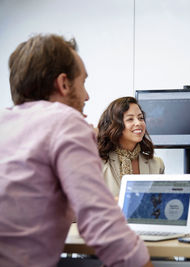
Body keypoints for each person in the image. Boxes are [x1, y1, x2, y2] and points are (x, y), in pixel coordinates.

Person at [0, 34, 152, 267]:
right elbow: (100, 224)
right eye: (83, 82)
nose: (87, 96)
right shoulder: (66, 122)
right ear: (63, 84)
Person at [97, 96, 165, 197]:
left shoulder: (157, 164)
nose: (138, 123)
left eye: (140, 118)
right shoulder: (99, 163)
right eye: (130, 119)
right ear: (114, 125)